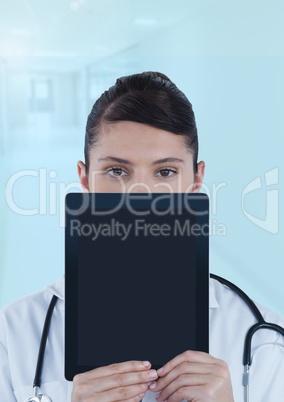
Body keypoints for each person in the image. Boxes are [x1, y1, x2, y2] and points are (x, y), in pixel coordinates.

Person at [0, 71, 283, 402]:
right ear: (85, 179)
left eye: (165, 171)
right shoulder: (15, 333)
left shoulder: (264, 339)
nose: (140, 193)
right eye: (117, 171)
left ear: (196, 181)